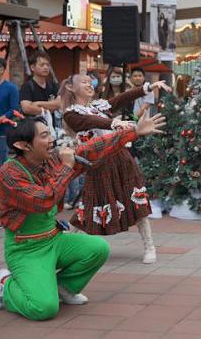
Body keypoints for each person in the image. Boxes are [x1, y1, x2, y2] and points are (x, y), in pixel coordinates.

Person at [0, 112, 166, 320]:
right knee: (43, 308)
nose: (50, 138)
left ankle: (63, 287)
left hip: (53, 238)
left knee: (98, 249)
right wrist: (67, 167)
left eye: (49, 133)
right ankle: (5, 283)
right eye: (43, 136)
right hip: (26, 248)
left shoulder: (50, 160)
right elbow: (43, 200)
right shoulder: (9, 173)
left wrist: (134, 132)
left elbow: (91, 149)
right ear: (24, 146)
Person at [60, 74, 171, 263]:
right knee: (88, 204)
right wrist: (113, 123)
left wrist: (148, 87)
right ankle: (62, 248)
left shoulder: (99, 106)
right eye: (84, 82)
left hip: (121, 158)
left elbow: (122, 98)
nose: (89, 85)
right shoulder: (71, 114)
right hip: (97, 162)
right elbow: (89, 122)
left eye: (90, 82)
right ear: (71, 87)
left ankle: (149, 247)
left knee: (137, 201)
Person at [19, 52, 61, 133]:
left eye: (47, 65)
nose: (46, 67)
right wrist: (49, 109)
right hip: (33, 130)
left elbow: (59, 104)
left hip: (52, 129)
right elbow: (26, 108)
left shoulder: (53, 85)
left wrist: (38, 103)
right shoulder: (27, 86)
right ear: (32, 67)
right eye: (42, 65)